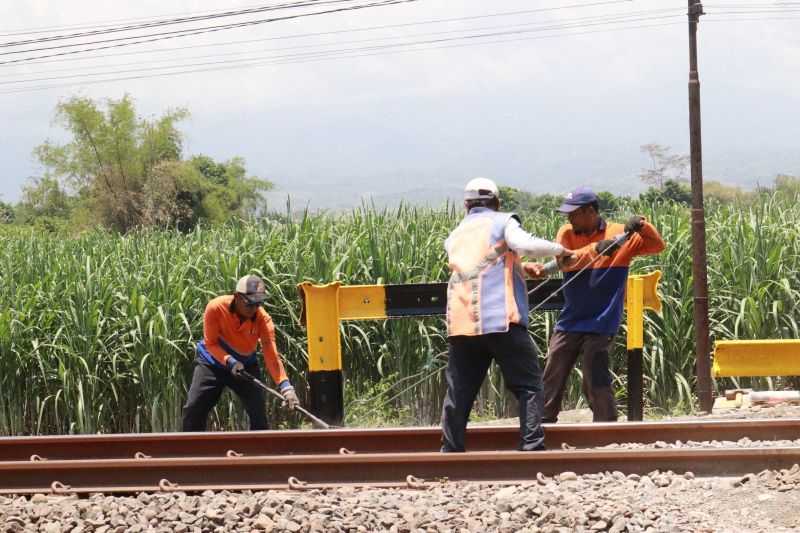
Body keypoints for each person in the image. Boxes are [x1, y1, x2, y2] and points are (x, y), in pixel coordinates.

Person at [441, 177, 574, 452]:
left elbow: (482, 265)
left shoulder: (455, 234)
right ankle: (532, 446)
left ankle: (451, 451)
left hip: (463, 324)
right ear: (497, 202)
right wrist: (560, 250)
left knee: (460, 392)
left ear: (466, 205)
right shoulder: (502, 222)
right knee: (529, 386)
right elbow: (523, 244)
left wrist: (522, 269)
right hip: (500, 321)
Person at [524, 187, 665, 423]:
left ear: (590, 211)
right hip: (571, 318)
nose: (568, 218)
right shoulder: (566, 233)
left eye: (573, 213)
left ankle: (606, 426)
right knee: (553, 371)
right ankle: (541, 423)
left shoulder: (620, 234)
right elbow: (566, 262)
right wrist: (597, 249)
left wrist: (642, 225)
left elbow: (656, 245)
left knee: (594, 375)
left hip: (603, 320)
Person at [182, 275, 299, 431]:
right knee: (194, 407)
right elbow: (211, 343)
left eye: (258, 304)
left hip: (245, 366)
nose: (254, 309)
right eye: (249, 304)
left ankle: (259, 452)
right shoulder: (216, 308)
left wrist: (286, 387)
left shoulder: (263, 320)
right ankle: (192, 450)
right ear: (237, 297)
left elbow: (272, 355)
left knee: (258, 412)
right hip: (211, 362)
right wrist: (230, 361)